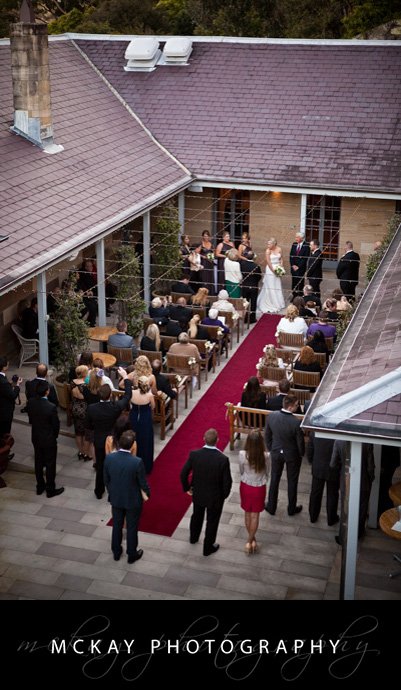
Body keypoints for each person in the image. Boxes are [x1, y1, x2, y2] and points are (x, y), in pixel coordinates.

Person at [180, 428, 232, 556]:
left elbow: (183, 473)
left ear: (204, 438)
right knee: (212, 521)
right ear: (217, 441)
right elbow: (228, 482)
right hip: (215, 497)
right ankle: (208, 547)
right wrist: (223, 496)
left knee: (197, 515)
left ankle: (193, 538)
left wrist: (187, 488)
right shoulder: (222, 459)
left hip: (198, 493)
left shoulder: (195, 454)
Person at [86, 368, 133, 499]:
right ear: (110, 395)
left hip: (100, 440)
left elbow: (88, 425)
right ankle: (113, 490)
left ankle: (98, 490)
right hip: (113, 441)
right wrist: (126, 378)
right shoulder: (115, 407)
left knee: (100, 466)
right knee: (114, 466)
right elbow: (128, 395)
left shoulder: (92, 409)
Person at [104, 430, 150, 563]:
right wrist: (148, 493)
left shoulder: (109, 458)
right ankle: (131, 554)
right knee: (131, 527)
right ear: (133, 445)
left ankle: (116, 552)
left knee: (117, 525)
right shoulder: (137, 462)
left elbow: (106, 479)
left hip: (116, 498)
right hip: (132, 499)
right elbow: (142, 482)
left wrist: (112, 492)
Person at [265, 394, 305, 516]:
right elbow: (300, 443)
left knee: (274, 479)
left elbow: (267, 435)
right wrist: (301, 454)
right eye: (296, 405)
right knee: (292, 482)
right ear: (290, 407)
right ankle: (291, 508)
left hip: (276, 452)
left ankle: (271, 507)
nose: (297, 407)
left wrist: (271, 448)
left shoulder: (271, 416)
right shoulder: (295, 423)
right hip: (292, 455)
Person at [330, 440, 374, 544]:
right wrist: (370, 479)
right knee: (361, 510)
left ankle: (342, 536)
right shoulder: (367, 443)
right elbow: (370, 467)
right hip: (363, 482)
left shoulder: (338, 442)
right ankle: (358, 534)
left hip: (346, 481)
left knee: (345, 509)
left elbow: (333, 464)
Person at [26, 380, 63, 497]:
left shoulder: (31, 403)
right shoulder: (51, 407)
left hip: (36, 436)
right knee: (50, 464)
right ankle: (50, 489)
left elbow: (31, 418)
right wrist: (54, 436)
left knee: (38, 461)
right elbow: (56, 425)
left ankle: (40, 486)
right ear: (47, 392)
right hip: (48, 439)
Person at [239, 431, 270, 554]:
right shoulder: (266, 456)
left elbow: (241, 470)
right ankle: (250, 541)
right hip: (259, 487)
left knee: (247, 513)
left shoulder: (242, 454)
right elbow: (268, 472)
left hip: (246, 485)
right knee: (255, 515)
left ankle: (250, 540)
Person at [307, 433, 340, 526]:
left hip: (318, 467)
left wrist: (311, 462)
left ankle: (313, 516)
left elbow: (310, 449)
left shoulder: (315, 432)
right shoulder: (337, 434)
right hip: (333, 469)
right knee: (332, 494)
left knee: (315, 493)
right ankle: (331, 519)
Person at [129, 376, 155, 474]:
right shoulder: (149, 395)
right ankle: (146, 465)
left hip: (134, 416)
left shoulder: (132, 393)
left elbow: (130, 404)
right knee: (146, 440)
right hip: (145, 418)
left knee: (134, 438)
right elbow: (153, 407)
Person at [256, 237, 286, 314]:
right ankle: (271, 303)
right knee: (270, 286)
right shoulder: (267, 251)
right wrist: (274, 271)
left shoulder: (279, 249)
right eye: (268, 243)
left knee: (277, 285)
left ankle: (278, 302)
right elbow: (268, 262)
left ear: (274, 244)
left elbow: (281, 258)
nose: (268, 245)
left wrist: (281, 267)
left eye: (269, 244)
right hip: (270, 269)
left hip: (277, 268)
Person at [0, 357, 22, 436]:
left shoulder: (3, 380)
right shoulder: (3, 382)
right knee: (5, 434)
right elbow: (13, 395)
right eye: (7, 364)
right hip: (4, 412)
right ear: (4, 367)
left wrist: (10, 384)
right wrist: (17, 386)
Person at [239, 251, 262, 323]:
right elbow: (259, 276)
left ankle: (245, 317)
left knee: (245, 302)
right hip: (253, 286)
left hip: (245, 286)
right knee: (253, 302)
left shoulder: (242, 264)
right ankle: (252, 318)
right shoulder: (256, 266)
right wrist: (255, 282)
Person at [289, 231, 310, 297]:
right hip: (293, 268)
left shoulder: (306, 246)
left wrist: (298, 266)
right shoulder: (294, 244)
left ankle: (300, 296)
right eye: (296, 237)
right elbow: (291, 256)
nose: (296, 238)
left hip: (301, 268)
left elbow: (305, 258)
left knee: (300, 283)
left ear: (302, 238)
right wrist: (293, 265)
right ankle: (294, 296)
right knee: (294, 283)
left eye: (297, 237)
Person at [200, 230, 216, 295]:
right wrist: (203, 256)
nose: (206, 237)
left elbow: (213, 254)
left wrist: (211, 258)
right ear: (203, 237)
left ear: (209, 237)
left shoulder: (211, 245)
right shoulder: (201, 244)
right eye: (204, 236)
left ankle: (210, 292)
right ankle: (203, 293)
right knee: (204, 277)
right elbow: (196, 253)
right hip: (203, 262)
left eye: (207, 236)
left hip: (210, 263)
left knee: (210, 277)